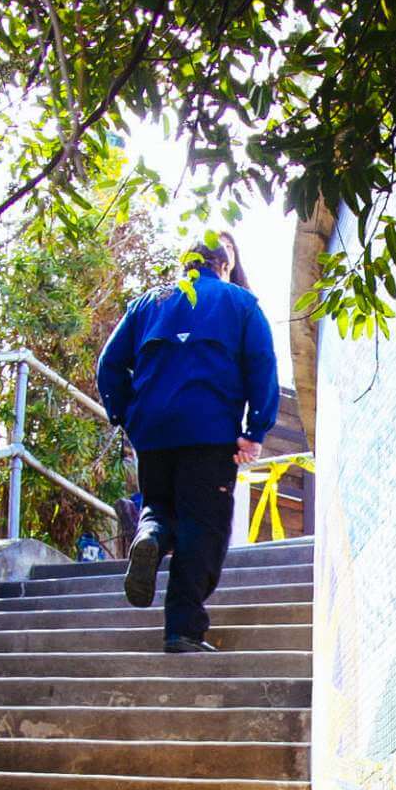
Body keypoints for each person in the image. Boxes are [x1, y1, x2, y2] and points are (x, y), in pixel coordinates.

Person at [96, 232, 279, 652]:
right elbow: (262, 367)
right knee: (204, 528)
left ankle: (152, 537)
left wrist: (125, 415)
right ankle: (183, 629)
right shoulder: (240, 303)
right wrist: (255, 431)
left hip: (153, 432)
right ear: (224, 265)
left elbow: (109, 365)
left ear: (187, 262)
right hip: (209, 434)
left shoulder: (148, 303)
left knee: (159, 506)